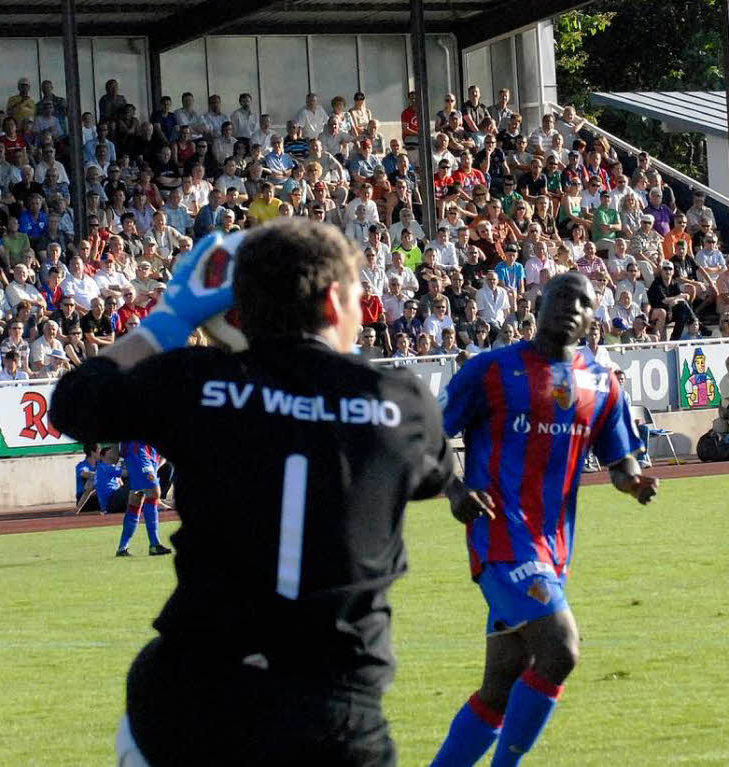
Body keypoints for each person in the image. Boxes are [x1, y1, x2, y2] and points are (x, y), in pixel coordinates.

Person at [49, 220, 454, 766]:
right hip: (333, 713)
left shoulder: (196, 380)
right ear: (334, 301)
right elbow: (431, 477)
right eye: (359, 291)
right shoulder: (400, 402)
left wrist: (168, 322)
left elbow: (73, 402)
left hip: (188, 695)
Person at [428, 272, 657, 767]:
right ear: (538, 302)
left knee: (502, 684)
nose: (571, 308)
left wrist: (634, 482)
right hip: (501, 537)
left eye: (585, 303)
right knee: (561, 648)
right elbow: (429, 433)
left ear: (596, 317)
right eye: (562, 297)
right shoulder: (492, 369)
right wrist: (455, 489)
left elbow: (620, 459)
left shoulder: (600, 381)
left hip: (553, 549)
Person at [113, 441, 171, 556]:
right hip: (138, 448)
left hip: (151, 453)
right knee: (154, 492)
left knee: (136, 498)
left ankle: (122, 548)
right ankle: (154, 544)